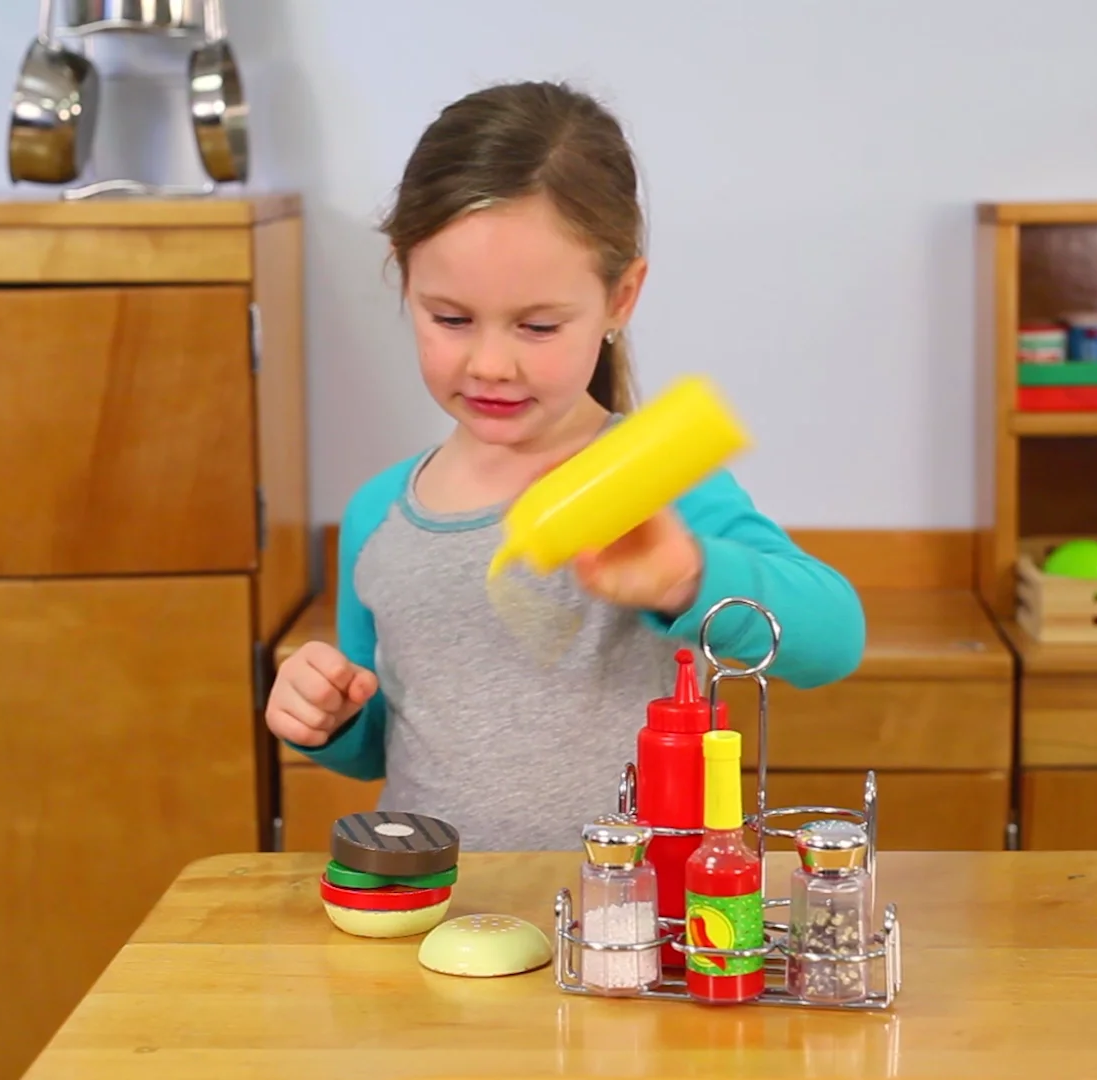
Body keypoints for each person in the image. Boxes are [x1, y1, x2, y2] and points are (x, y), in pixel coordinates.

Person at [266, 80, 866, 852]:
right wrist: (329, 718)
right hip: (438, 921)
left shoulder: (652, 487)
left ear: (621, 297)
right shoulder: (376, 515)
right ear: (402, 278)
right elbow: (387, 742)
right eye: (450, 319)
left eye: (538, 325)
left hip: (634, 929)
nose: (491, 363)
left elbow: (835, 638)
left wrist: (688, 578)